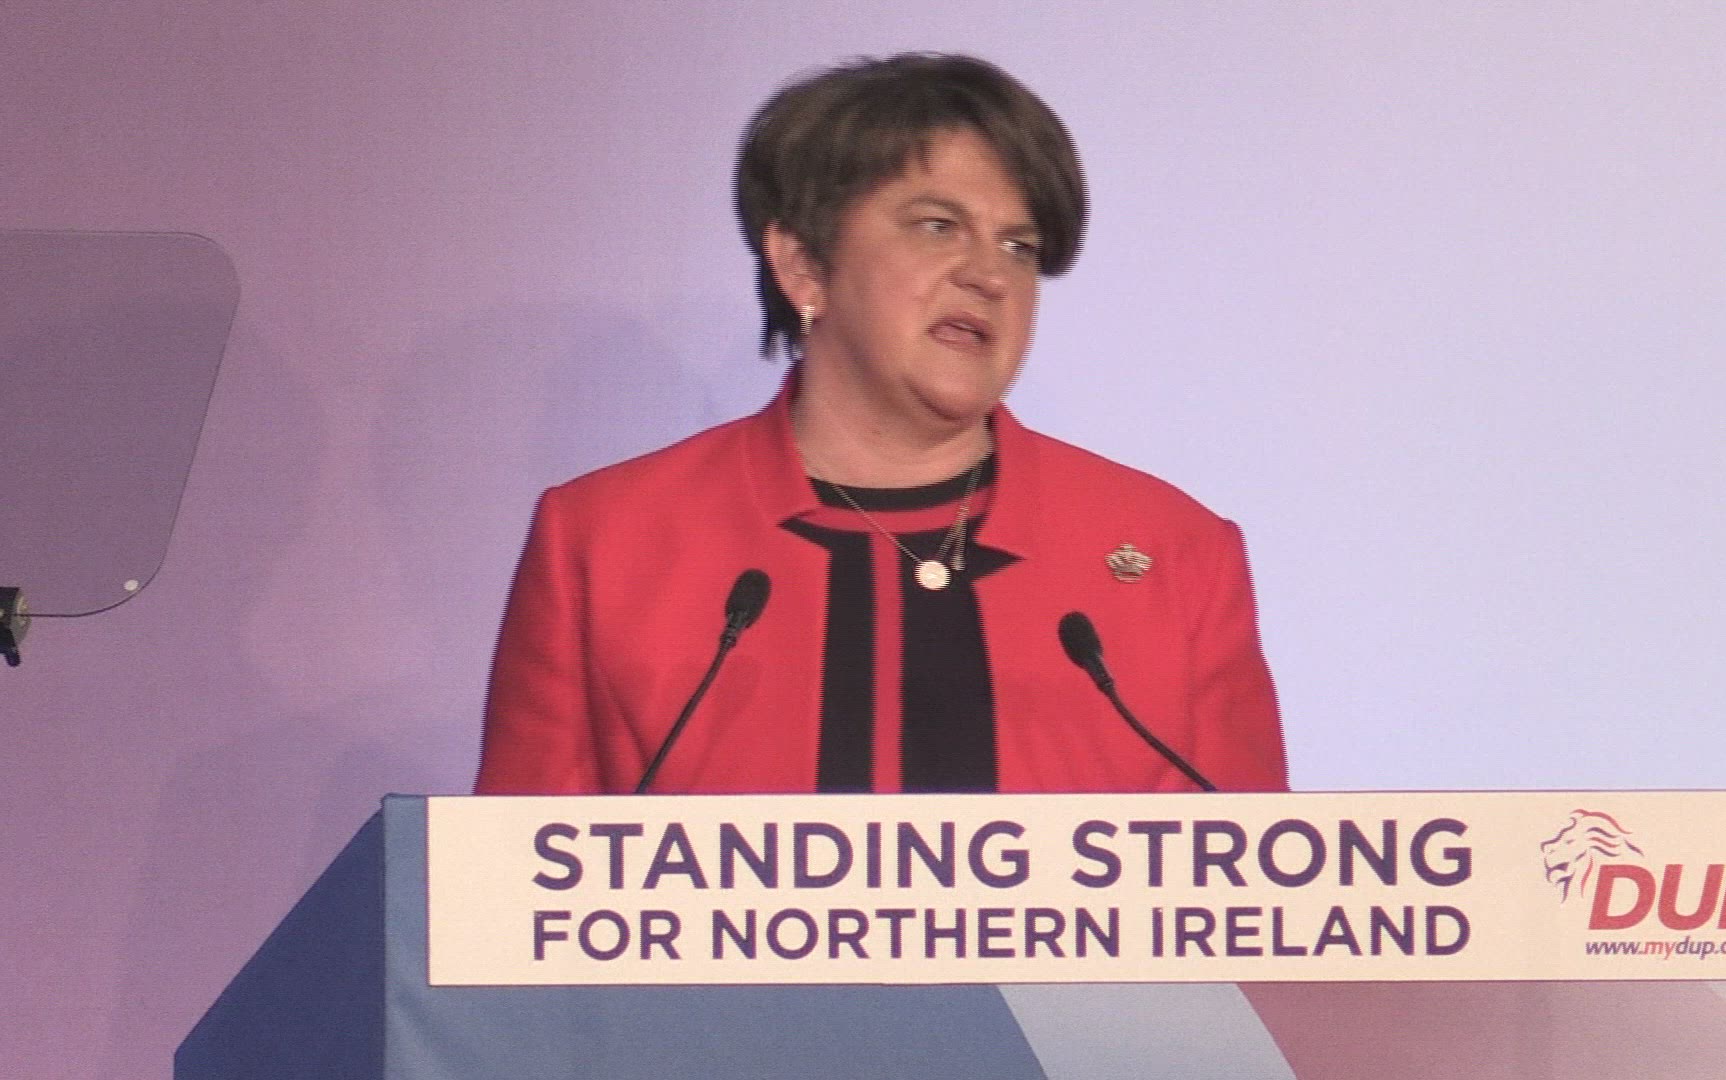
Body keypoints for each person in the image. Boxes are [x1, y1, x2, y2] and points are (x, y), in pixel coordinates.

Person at [475, 53, 1287, 795]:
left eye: (1019, 246)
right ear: (803, 265)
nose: (990, 275)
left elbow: (1254, 889)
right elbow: (511, 888)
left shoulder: (1173, 554)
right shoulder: (606, 544)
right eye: (938, 226)